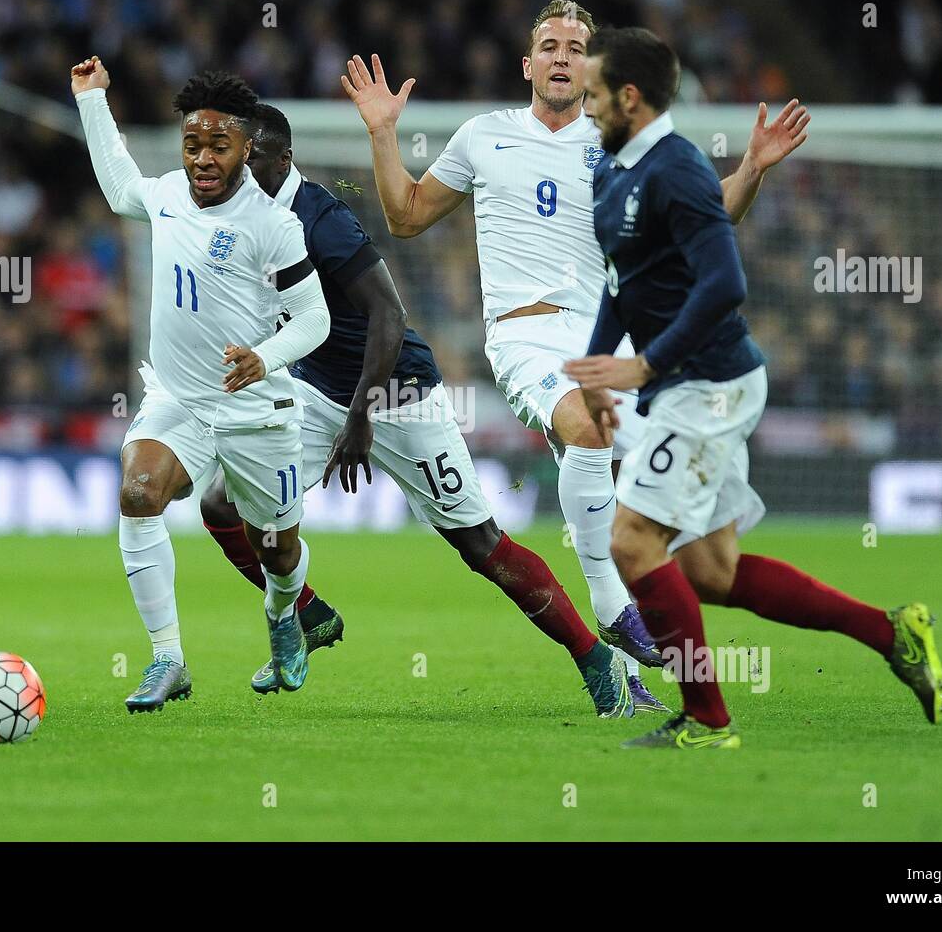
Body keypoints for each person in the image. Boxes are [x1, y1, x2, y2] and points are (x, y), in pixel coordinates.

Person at [340, 0, 808, 700]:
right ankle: (613, 608)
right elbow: (405, 217)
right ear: (527, 64)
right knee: (587, 426)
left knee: (681, 515)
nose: (562, 55)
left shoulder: (621, 141)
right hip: (526, 335)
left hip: (606, 339)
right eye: (549, 44)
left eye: (576, 46)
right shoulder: (483, 136)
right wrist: (382, 133)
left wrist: (755, 168)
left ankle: (641, 677)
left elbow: (704, 221)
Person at [199, 103, 649, 717]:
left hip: (396, 394)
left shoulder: (322, 220)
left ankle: (593, 658)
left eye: (239, 155)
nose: (225, 168)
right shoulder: (239, 217)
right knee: (222, 504)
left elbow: (389, 314)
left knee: (479, 544)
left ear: (276, 158)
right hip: (316, 391)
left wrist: (361, 417)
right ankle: (308, 614)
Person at [565, 27, 942, 749]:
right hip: (682, 384)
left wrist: (645, 367)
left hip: (710, 384)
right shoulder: (613, 170)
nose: (584, 108)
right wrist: (594, 373)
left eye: (592, 95)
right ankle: (891, 631)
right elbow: (623, 284)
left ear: (630, 97)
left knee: (631, 542)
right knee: (711, 572)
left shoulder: (674, 168)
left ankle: (708, 720)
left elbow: (725, 281)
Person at [73, 58, 331, 711]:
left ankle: (283, 616)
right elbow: (119, 188)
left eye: (218, 145)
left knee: (276, 551)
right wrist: (92, 101)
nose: (203, 158)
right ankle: (167, 659)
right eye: (193, 145)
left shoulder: (273, 225)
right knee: (138, 493)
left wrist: (266, 358)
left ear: (246, 146)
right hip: (180, 399)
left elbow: (315, 319)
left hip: (257, 409)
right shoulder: (164, 197)